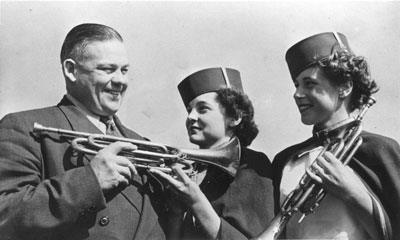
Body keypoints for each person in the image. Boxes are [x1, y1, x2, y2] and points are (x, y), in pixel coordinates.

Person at [0, 23, 167, 240]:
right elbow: (5, 215)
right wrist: (90, 181)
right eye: (107, 69)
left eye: (124, 70)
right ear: (71, 70)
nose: (121, 81)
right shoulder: (24, 126)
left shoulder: (141, 143)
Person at [271, 32, 400, 240]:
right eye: (297, 85)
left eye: (309, 83)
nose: (297, 93)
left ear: (345, 86)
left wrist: (355, 195)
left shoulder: (382, 150)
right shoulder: (285, 161)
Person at [150, 67, 274, 240]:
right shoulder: (191, 168)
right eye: (189, 110)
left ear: (235, 117)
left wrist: (195, 201)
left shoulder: (251, 164)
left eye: (203, 109)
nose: (190, 117)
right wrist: (176, 214)